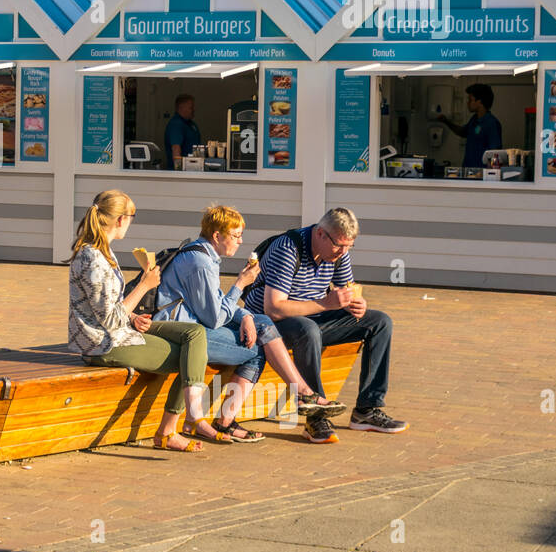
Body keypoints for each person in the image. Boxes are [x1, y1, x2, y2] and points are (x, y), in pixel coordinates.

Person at [154, 205, 345, 443]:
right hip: (182, 333)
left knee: (259, 329)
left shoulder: (202, 255)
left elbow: (216, 305)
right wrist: (241, 284)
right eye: (235, 236)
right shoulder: (200, 263)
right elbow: (214, 318)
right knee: (256, 347)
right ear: (217, 236)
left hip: (192, 327)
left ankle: (238, 418)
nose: (240, 242)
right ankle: (300, 394)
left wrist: (245, 316)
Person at [68, 189, 219, 451]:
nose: (131, 222)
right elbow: (110, 318)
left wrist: (135, 316)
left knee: (193, 334)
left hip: (118, 331)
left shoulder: (103, 252)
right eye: (132, 216)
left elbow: (108, 308)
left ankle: (185, 418)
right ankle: (171, 428)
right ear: (120, 220)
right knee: (186, 357)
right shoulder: (93, 258)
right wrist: (144, 286)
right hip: (102, 343)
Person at [243, 207, 407, 443]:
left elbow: (345, 291)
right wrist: (325, 304)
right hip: (269, 325)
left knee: (380, 322)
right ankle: (315, 415)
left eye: (349, 246)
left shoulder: (338, 252)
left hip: (311, 317)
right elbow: (274, 308)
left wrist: (355, 304)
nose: (343, 252)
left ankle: (367, 410)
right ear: (320, 234)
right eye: (339, 245)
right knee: (306, 330)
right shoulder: (287, 248)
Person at [438, 83, 502, 168]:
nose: (467, 103)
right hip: (469, 173)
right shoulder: (474, 120)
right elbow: (463, 132)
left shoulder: (491, 123)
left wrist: (489, 176)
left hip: (481, 176)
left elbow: (495, 154)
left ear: (479, 101)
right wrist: (446, 121)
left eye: (470, 100)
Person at [164, 94, 202, 170]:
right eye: (191, 107)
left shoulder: (191, 124)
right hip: (183, 172)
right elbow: (176, 149)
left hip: (194, 170)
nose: (194, 109)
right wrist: (179, 173)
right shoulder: (176, 124)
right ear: (181, 108)